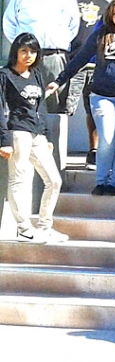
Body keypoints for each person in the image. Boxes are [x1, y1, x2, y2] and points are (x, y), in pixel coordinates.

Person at [51, 0, 115, 196]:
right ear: (110, 16)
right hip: (102, 96)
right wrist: (59, 80)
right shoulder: (101, 35)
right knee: (107, 138)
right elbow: (80, 58)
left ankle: (114, 183)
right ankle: (101, 181)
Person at [0, 33, 66, 244]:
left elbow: (41, 107)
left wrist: (46, 135)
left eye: (33, 51)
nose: (28, 55)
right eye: (24, 51)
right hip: (17, 132)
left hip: (37, 133)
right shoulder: (5, 75)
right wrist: (4, 140)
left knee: (54, 180)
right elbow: (1, 109)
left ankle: (45, 226)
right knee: (19, 180)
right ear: (16, 52)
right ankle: (23, 228)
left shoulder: (37, 74)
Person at [2, 0, 80, 116]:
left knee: (54, 105)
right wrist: (24, 49)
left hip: (56, 59)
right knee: (24, 101)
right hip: (27, 57)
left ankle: (51, 142)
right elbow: (9, 25)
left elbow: (73, 28)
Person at [67, 0, 109, 170]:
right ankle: (55, 149)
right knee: (63, 108)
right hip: (72, 63)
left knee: (94, 110)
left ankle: (94, 152)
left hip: (97, 65)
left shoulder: (104, 4)